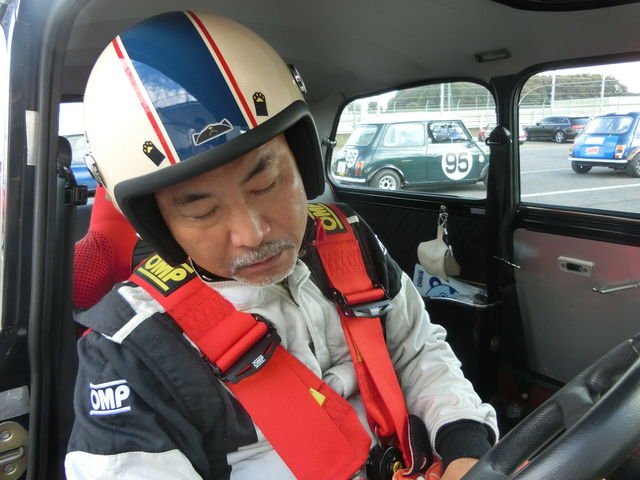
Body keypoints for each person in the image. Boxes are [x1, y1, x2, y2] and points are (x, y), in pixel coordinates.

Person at [65, 11, 498, 480]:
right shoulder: (130, 346)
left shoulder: (348, 240)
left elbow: (417, 351)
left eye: (266, 182)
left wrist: (465, 449)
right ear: (159, 224)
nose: (252, 234)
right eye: (202, 210)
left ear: (303, 161)